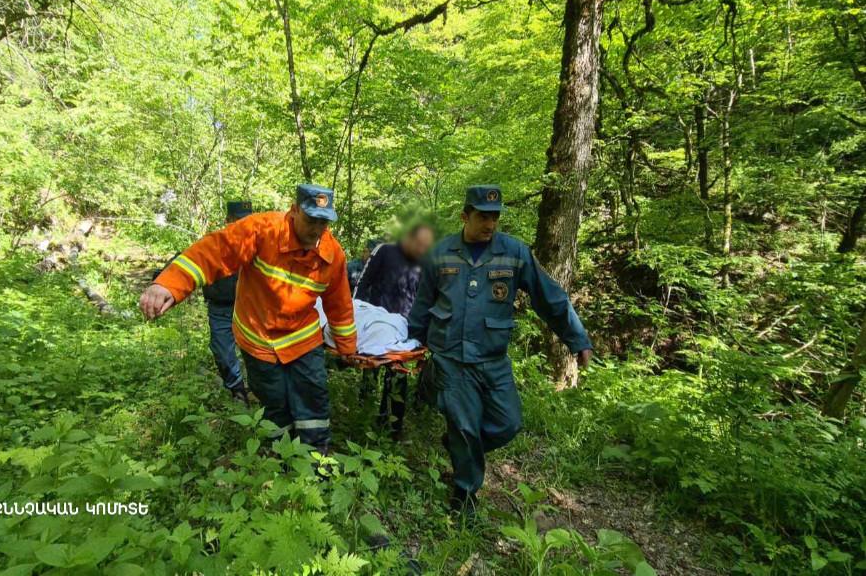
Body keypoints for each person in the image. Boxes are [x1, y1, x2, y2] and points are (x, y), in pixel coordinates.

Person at [407, 185, 594, 516]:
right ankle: (464, 498)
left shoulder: (514, 252)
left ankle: (459, 448)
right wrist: (411, 346)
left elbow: (549, 297)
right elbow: (422, 305)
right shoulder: (441, 253)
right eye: (483, 217)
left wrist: (577, 338)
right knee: (465, 428)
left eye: (494, 217)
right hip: (452, 358)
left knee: (509, 423)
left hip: (493, 360)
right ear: (465, 216)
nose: (490, 224)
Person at [140, 185, 357, 453]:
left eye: (323, 222)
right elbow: (214, 251)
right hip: (259, 341)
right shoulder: (262, 230)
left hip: (303, 340)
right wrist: (169, 284)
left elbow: (340, 304)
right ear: (294, 210)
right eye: (311, 220)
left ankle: (316, 460)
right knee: (275, 404)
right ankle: (281, 458)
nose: (316, 229)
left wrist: (347, 347)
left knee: (313, 400)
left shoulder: (332, 254)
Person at [353, 224, 435, 438]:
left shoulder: (423, 262)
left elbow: (423, 296)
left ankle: (392, 429)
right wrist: (357, 314)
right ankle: (363, 411)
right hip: (377, 325)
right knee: (370, 369)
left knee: (398, 376)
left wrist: (421, 328)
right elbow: (363, 283)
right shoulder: (385, 251)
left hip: (403, 329)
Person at [200, 200, 254, 404]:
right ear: (228, 220)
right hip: (220, 308)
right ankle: (237, 390)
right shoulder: (213, 244)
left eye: (247, 220)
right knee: (222, 351)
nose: (242, 225)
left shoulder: (259, 245)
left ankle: (257, 390)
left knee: (256, 351)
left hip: (250, 308)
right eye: (238, 220)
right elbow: (187, 259)